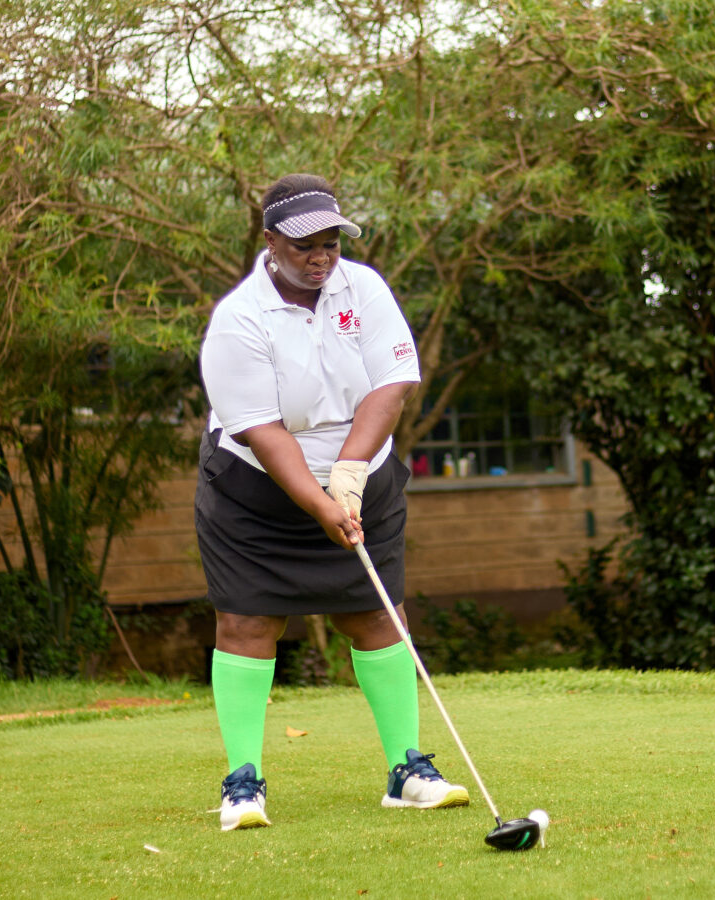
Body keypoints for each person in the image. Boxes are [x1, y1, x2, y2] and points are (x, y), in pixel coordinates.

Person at [195, 173, 469, 831]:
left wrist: (348, 472)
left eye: (331, 242)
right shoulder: (239, 319)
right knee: (247, 624)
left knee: (379, 617)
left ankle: (408, 772)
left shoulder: (362, 287)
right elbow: (261, 430)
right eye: (305, 245)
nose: (321, 256)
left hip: (361, 477)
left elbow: (392, 384)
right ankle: (242, 784)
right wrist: (319, 504)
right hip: (256, 493)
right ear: (269, 242)